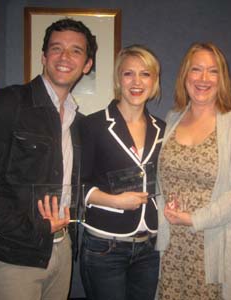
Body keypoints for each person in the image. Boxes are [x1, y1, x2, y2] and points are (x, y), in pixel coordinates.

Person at [0, 18, 97, 300]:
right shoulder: (8, 103)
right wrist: (30, 228)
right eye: (57, 48)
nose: (65, 57)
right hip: (12, 254)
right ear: (43, 57)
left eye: (76, 51)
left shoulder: (78, 122)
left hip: (62, 249)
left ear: (87, 65)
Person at [156, 42, 231, 300]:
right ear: (184, 76)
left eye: (212, 71)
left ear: (222, 79)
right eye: (196, 69)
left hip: (214, 244)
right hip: (172, 247)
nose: (203, 78)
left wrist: (193, 219)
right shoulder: (172, 118)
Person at [79, 45, 165, 300]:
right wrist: (115, 201)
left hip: (149, 247)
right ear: (118, 79)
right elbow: (76, 186)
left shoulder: (163, 129)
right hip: (106, 246)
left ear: (155, 81)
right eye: (129, 74)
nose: (137, 82)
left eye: (145, 74)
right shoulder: (92, 125)